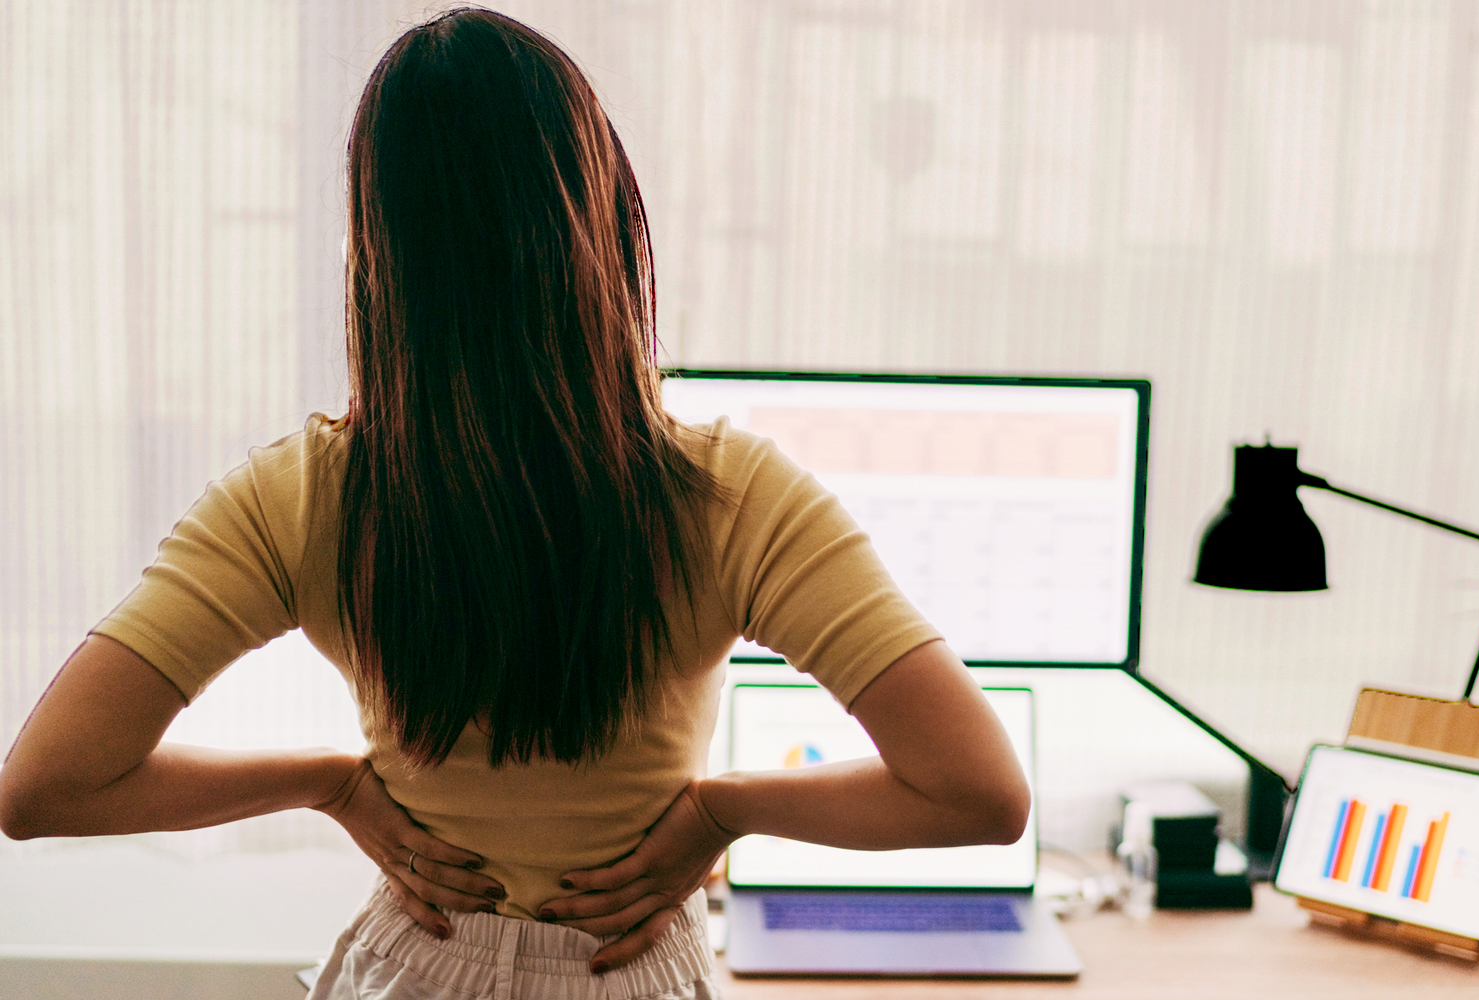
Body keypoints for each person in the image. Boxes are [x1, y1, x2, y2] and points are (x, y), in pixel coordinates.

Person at [0, 8, 1030, 999]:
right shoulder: (732, 496)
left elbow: (46, 786)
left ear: (381, 251)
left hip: (417, 965)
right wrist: (720, 811)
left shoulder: (298, 498)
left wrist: (333, 783)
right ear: (602, 213)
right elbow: (979, 793)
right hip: (625, 968)